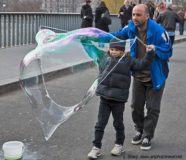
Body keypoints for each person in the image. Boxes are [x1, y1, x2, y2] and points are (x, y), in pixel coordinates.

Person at [96, 4, 172, 151]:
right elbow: (116, 35)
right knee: (135, 107)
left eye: (138, 15)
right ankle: (140, 129)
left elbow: (168, 50)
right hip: (138, 74)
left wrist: (156, 49)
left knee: (152, 108)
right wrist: (98, 36)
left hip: (155, 76)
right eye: (133, 15)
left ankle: (147, 135)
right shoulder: (130, 27)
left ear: (147, 16)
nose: (134, 18)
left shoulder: (159, 31)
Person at [87, 38, 155, 159]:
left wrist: (149, 53)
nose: (113, 52)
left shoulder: (128, 61)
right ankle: (96, 147)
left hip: (118, 100)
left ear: (123, 51)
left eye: (116, 50)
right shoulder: (105, 59)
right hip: (104, 98)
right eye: (112, 49)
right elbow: (92, 52)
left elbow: (142, 64)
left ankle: (119, 145)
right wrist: (85, 41)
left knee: (118, 123)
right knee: (100, 124)